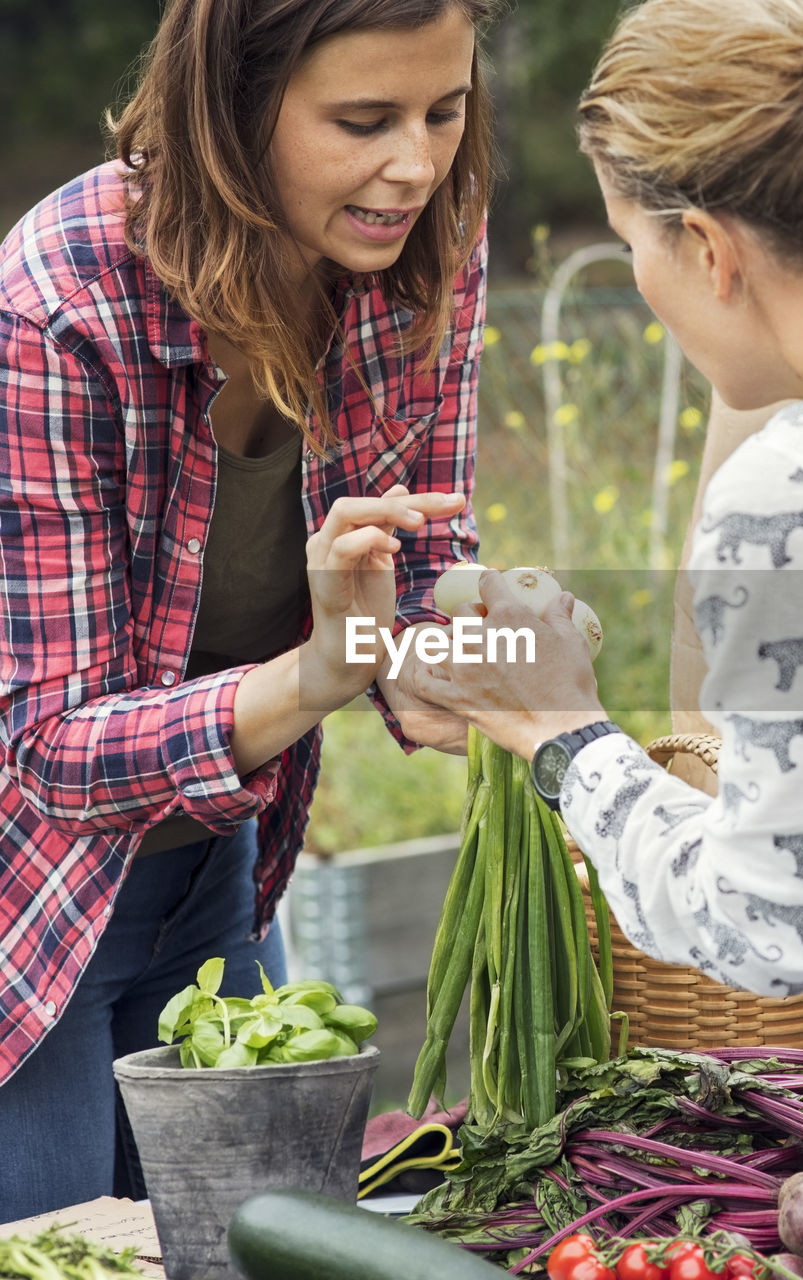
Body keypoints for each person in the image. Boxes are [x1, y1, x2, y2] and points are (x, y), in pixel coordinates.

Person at [0, 0, 500, 1218]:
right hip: (30, 904)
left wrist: (489, 653)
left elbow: (420, 571)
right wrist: (321, 673)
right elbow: (50, 747)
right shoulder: (58, 305)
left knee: (246, 1243)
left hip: (220, 860)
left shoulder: (423, 243)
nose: (417, 163)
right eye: (363, 120)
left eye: (443, 111)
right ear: (230, 112)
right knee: (65, 1239)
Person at [414, 0, 803, 1002]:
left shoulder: (801, 483)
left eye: (628, 244)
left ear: (706, 247)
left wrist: (556, 727)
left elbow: (765, 927)